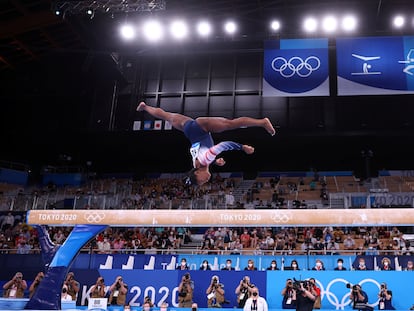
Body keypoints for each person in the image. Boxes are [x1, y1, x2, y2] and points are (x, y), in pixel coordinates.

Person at [137, 102, 276, 186]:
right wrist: (215, 161)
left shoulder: (203, 161)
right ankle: (145, 106)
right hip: (188, 128)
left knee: (230, 124)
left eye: (201, 181)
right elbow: (203, 151)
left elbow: (223, 145)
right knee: (165, 116)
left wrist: (242, 147)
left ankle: (262, 122)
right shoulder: (199, 163)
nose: (205, 181)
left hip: (201, 128)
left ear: (197, 172)